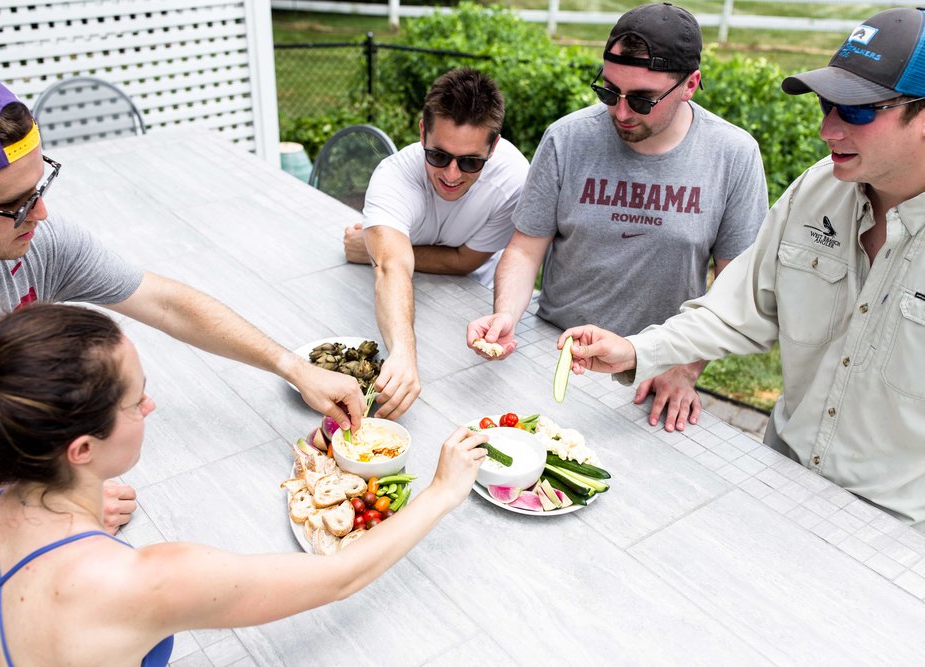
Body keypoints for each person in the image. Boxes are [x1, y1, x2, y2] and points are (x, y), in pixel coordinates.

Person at [0, 61, 365, 663]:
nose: (42, 215)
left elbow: (165, 301)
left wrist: (292, 365)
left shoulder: (24, 240)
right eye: (13, 205)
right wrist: (42, 515)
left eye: (41, 186)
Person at [0, 303, 487, 666]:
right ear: (80, 449)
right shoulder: (141, 580)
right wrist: (441, 491)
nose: (151, 404)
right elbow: (340, 576)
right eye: (135, 400)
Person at [558, 6, 925, 533]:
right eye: (826, 103)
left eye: (857, 111)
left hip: (897, 526)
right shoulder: (817, 190)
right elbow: (738, 307)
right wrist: (636, 350)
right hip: (781, 473)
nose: (826, 128)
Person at [466, 2, 768, 432]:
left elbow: (735, 288)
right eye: (609, 92)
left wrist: (684, 367)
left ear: (691, 85)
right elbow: (524, 249)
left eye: (643, 99)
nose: (621, 113)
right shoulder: (567, 139)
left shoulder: (733, 155)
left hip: (654, 373)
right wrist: (505, 317)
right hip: (557, 348)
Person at [343, 67, 529, 420]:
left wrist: (369, 249)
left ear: (495, 146)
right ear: (422, 132)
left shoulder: (514, 181)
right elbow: (392, 267)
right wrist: (403, 352)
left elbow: (464, 261)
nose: (452, 174)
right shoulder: (393, 176)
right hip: (409, 301)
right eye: (438, 156)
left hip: (477, 304)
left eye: (471, 161)